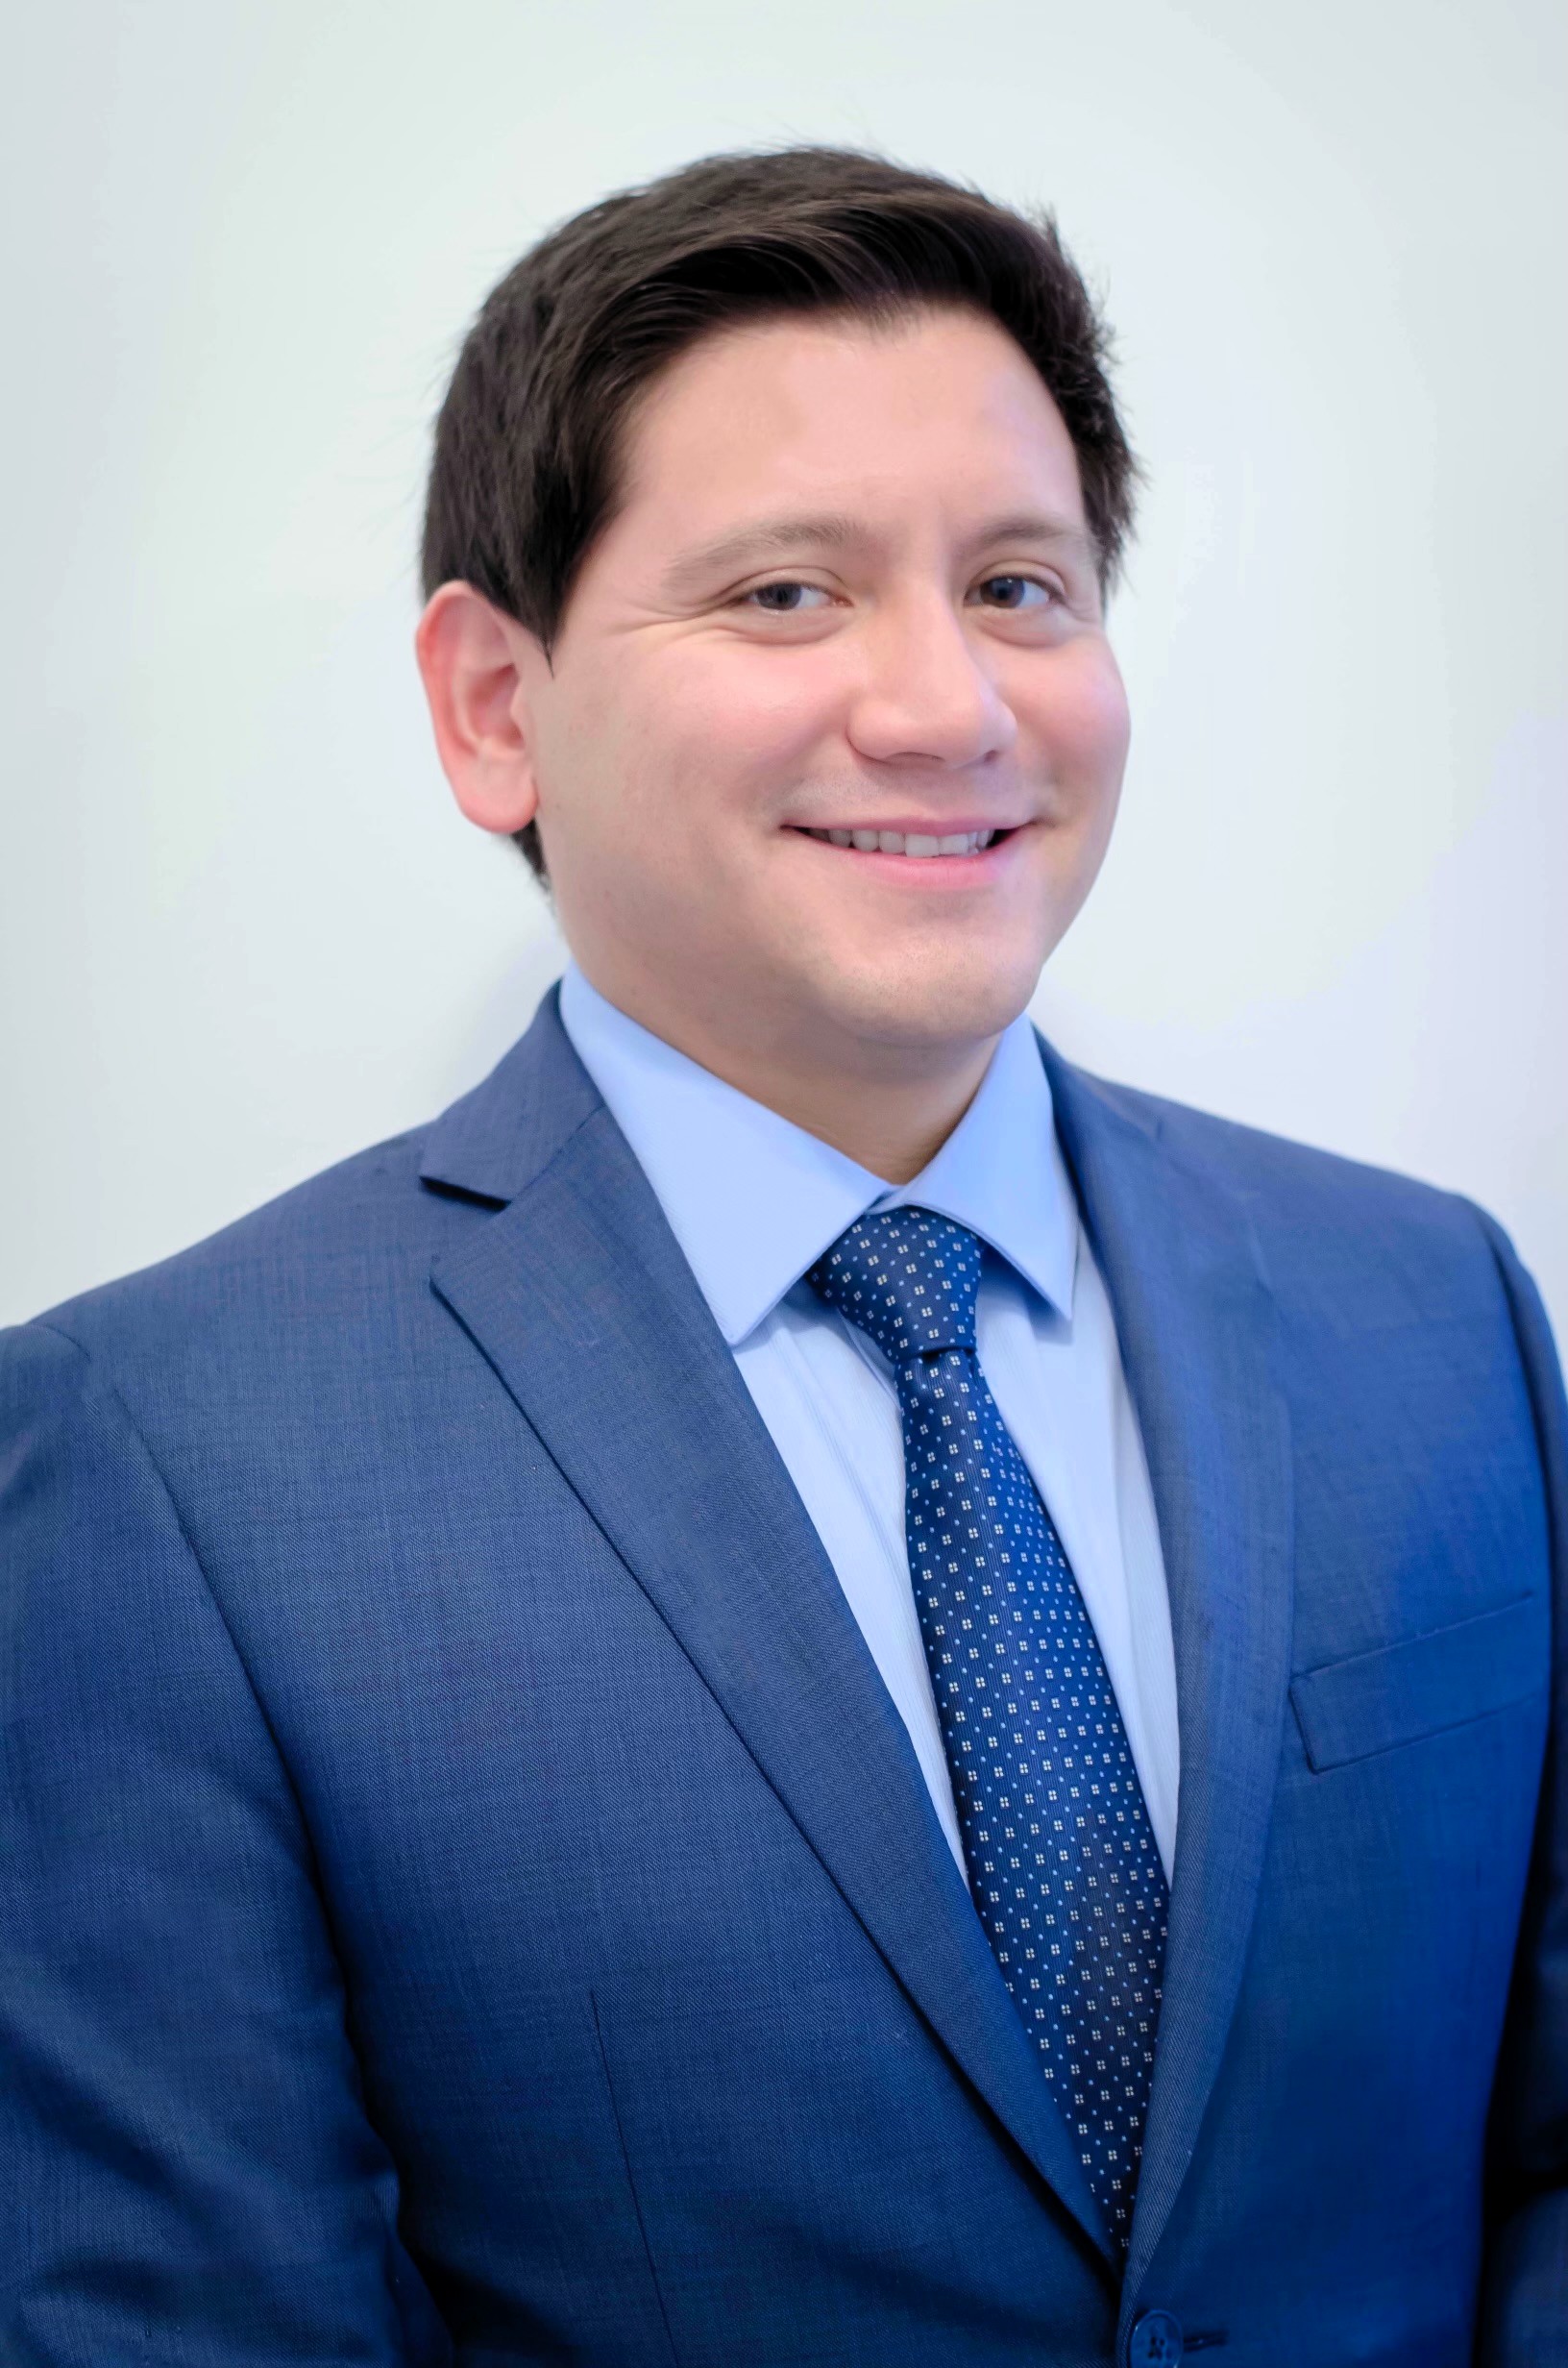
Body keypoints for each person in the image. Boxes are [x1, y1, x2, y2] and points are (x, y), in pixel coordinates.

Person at [2, 145, 1562, 2368]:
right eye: (783, 596)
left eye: (1022, 586)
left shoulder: (1437, 1314)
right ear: (492, 704)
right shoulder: (162, 1459)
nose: (948, 707)